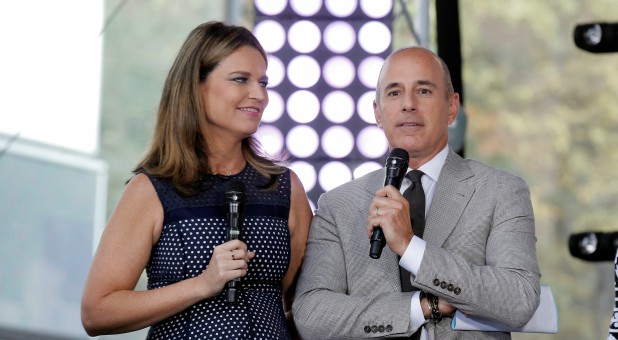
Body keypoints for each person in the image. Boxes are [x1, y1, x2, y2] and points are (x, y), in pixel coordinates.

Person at [81, 21, 312, 339]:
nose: (259, 95)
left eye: (263, 82)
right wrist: (202, 284)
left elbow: (304, 303)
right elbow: (97, 311)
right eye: (240, 79)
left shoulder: (285, 188)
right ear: (196, 86)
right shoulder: (153, 190)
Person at [292, 46, 541, 339]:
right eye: (394, 93)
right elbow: (311, 314)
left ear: (451, 107)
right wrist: (421, 307)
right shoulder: (338, 205)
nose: (408, 104)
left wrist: (411, 248)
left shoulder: (500, 190)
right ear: (378, 112)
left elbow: (520, 299)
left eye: (423, 91)